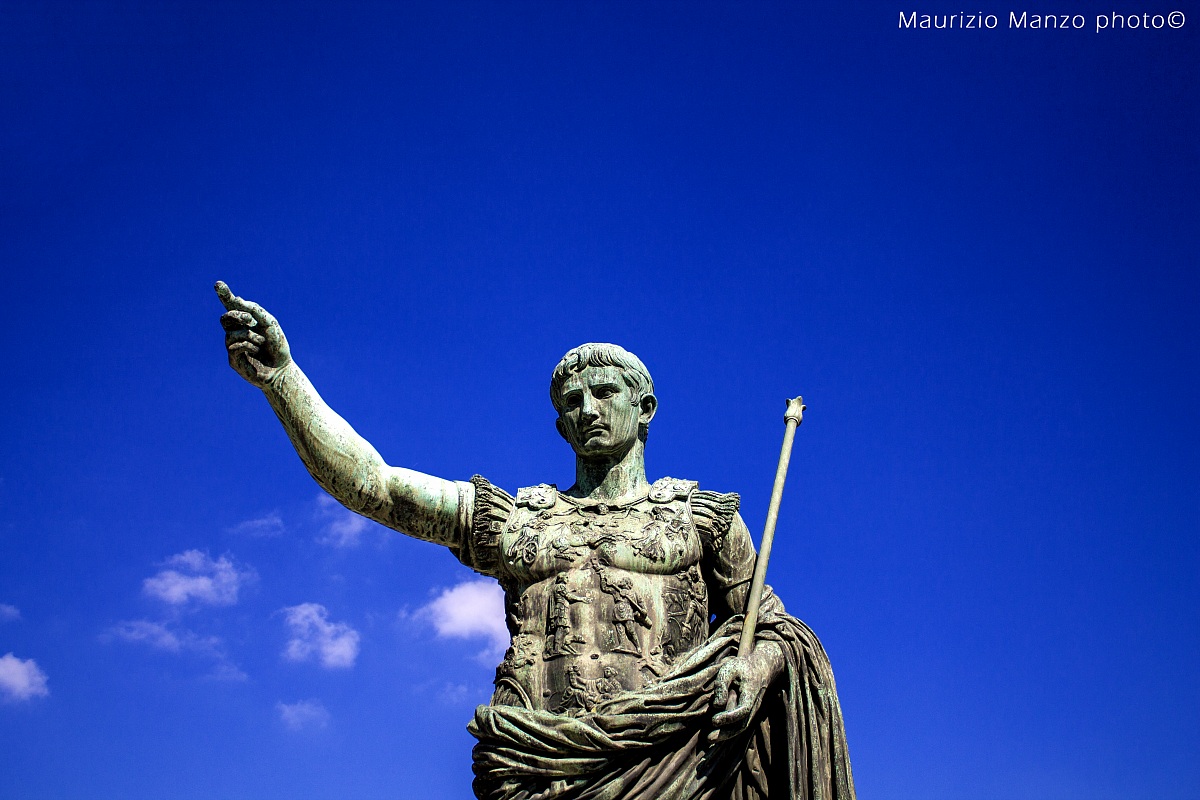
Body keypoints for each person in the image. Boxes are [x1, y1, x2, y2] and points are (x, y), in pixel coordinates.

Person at [216, 281, 856, 799]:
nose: (588, 409)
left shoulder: (699, 518)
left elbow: (768, 627)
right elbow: (376, 487)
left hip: (673, 765)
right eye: (573, 401)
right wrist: (283, 379)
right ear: (559, 423)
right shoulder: (520, 518)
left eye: (605, 393)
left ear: (646, 409)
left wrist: (758, 664)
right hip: (537, 768)